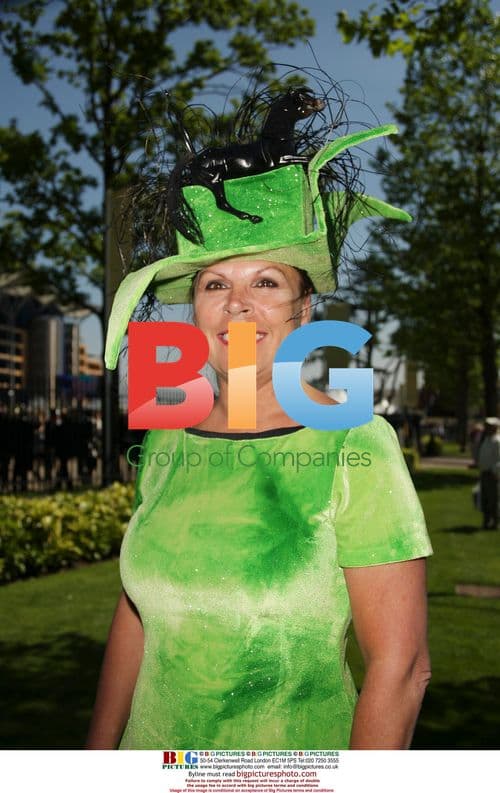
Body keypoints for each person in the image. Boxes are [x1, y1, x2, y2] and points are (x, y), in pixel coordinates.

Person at [86, 84, 432, 750]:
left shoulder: (354, 440)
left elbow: (402, 668)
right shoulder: (166, 434)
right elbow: (135, 613)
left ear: (303, 314)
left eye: (265, 283)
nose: (236, 305)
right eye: (216, 283)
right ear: (197, 307)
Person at [477, 418, 500, 530]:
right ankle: (486, 522)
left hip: (492, 474)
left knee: (493, 500)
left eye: (490, 426)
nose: (487, 429)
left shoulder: (497, 441)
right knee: (485, 499)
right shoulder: (486, 439)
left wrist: (495, 472)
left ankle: (495, 522)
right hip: (484, 473)